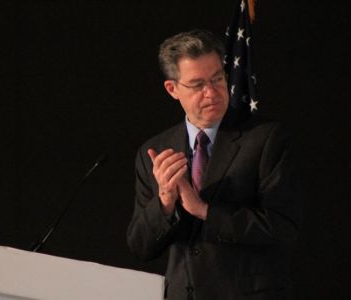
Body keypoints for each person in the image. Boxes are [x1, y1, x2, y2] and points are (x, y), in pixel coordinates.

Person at [126, 29, 301, 300]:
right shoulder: (155, 151)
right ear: (173, 89)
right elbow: (140, 247)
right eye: (197, 85)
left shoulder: (266, 139)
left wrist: (206, 211)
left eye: (218, 78)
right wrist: (164, 202)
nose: (212, 93)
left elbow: (283, 227)